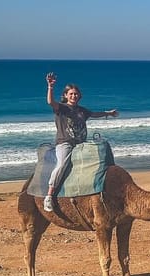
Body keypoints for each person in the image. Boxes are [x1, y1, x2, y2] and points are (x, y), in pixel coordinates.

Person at [43, 72, 119, 212]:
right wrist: (50, 87)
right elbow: (50, 102)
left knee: (99, 155)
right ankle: (49, 195)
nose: (74, 96)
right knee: (61, 165)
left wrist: (108, 113)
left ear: (79, 96)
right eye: (71, 94)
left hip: (81, 144)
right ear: (66, 95)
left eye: (76, 94)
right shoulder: (61, 108)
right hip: (65, 143)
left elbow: (95, 114)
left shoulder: (82, 111)